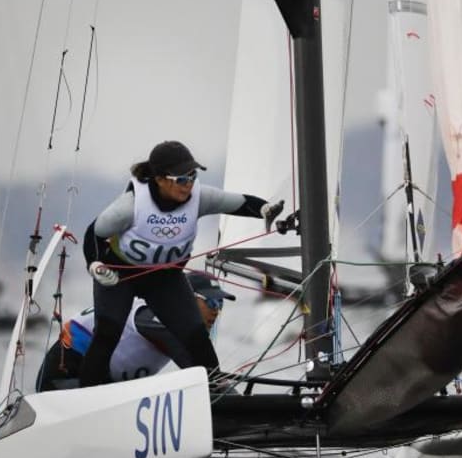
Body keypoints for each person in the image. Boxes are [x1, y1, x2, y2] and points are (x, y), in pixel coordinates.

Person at [79, 140, 283, 387]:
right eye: (182, 179)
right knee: (107, 333)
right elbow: (94, 233)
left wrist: (265, 209)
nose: (189, 184)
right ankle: (88, 390)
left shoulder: (200, 197)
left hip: (164, 279)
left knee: (194, 334)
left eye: (192, 176)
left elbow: (240, 203)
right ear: (160, 179)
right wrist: (95, 265)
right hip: (121, 276)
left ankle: (216, 390)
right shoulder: (130, 205)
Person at [36, 271, 235, 392]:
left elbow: (203, 370)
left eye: (220, 304)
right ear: (188, 298)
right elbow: (189, 360)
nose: (216, 310)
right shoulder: (150, 313)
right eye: (211, 302)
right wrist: (222, 392)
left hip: (102, 386)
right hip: (61, 379)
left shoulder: (175, 322)